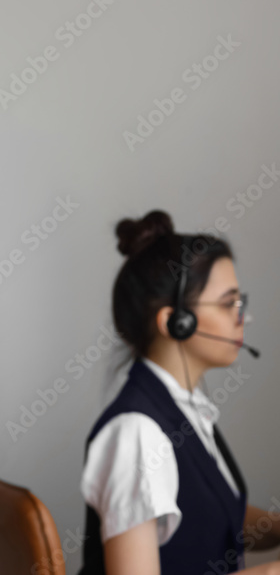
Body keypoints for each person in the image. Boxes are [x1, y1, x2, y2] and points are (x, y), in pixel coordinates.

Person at [78, 210, 279, 574]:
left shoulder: (183, 406)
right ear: (176, 322)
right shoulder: (138, 433)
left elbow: (210, 513)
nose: (243, 317)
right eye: (228, 304)